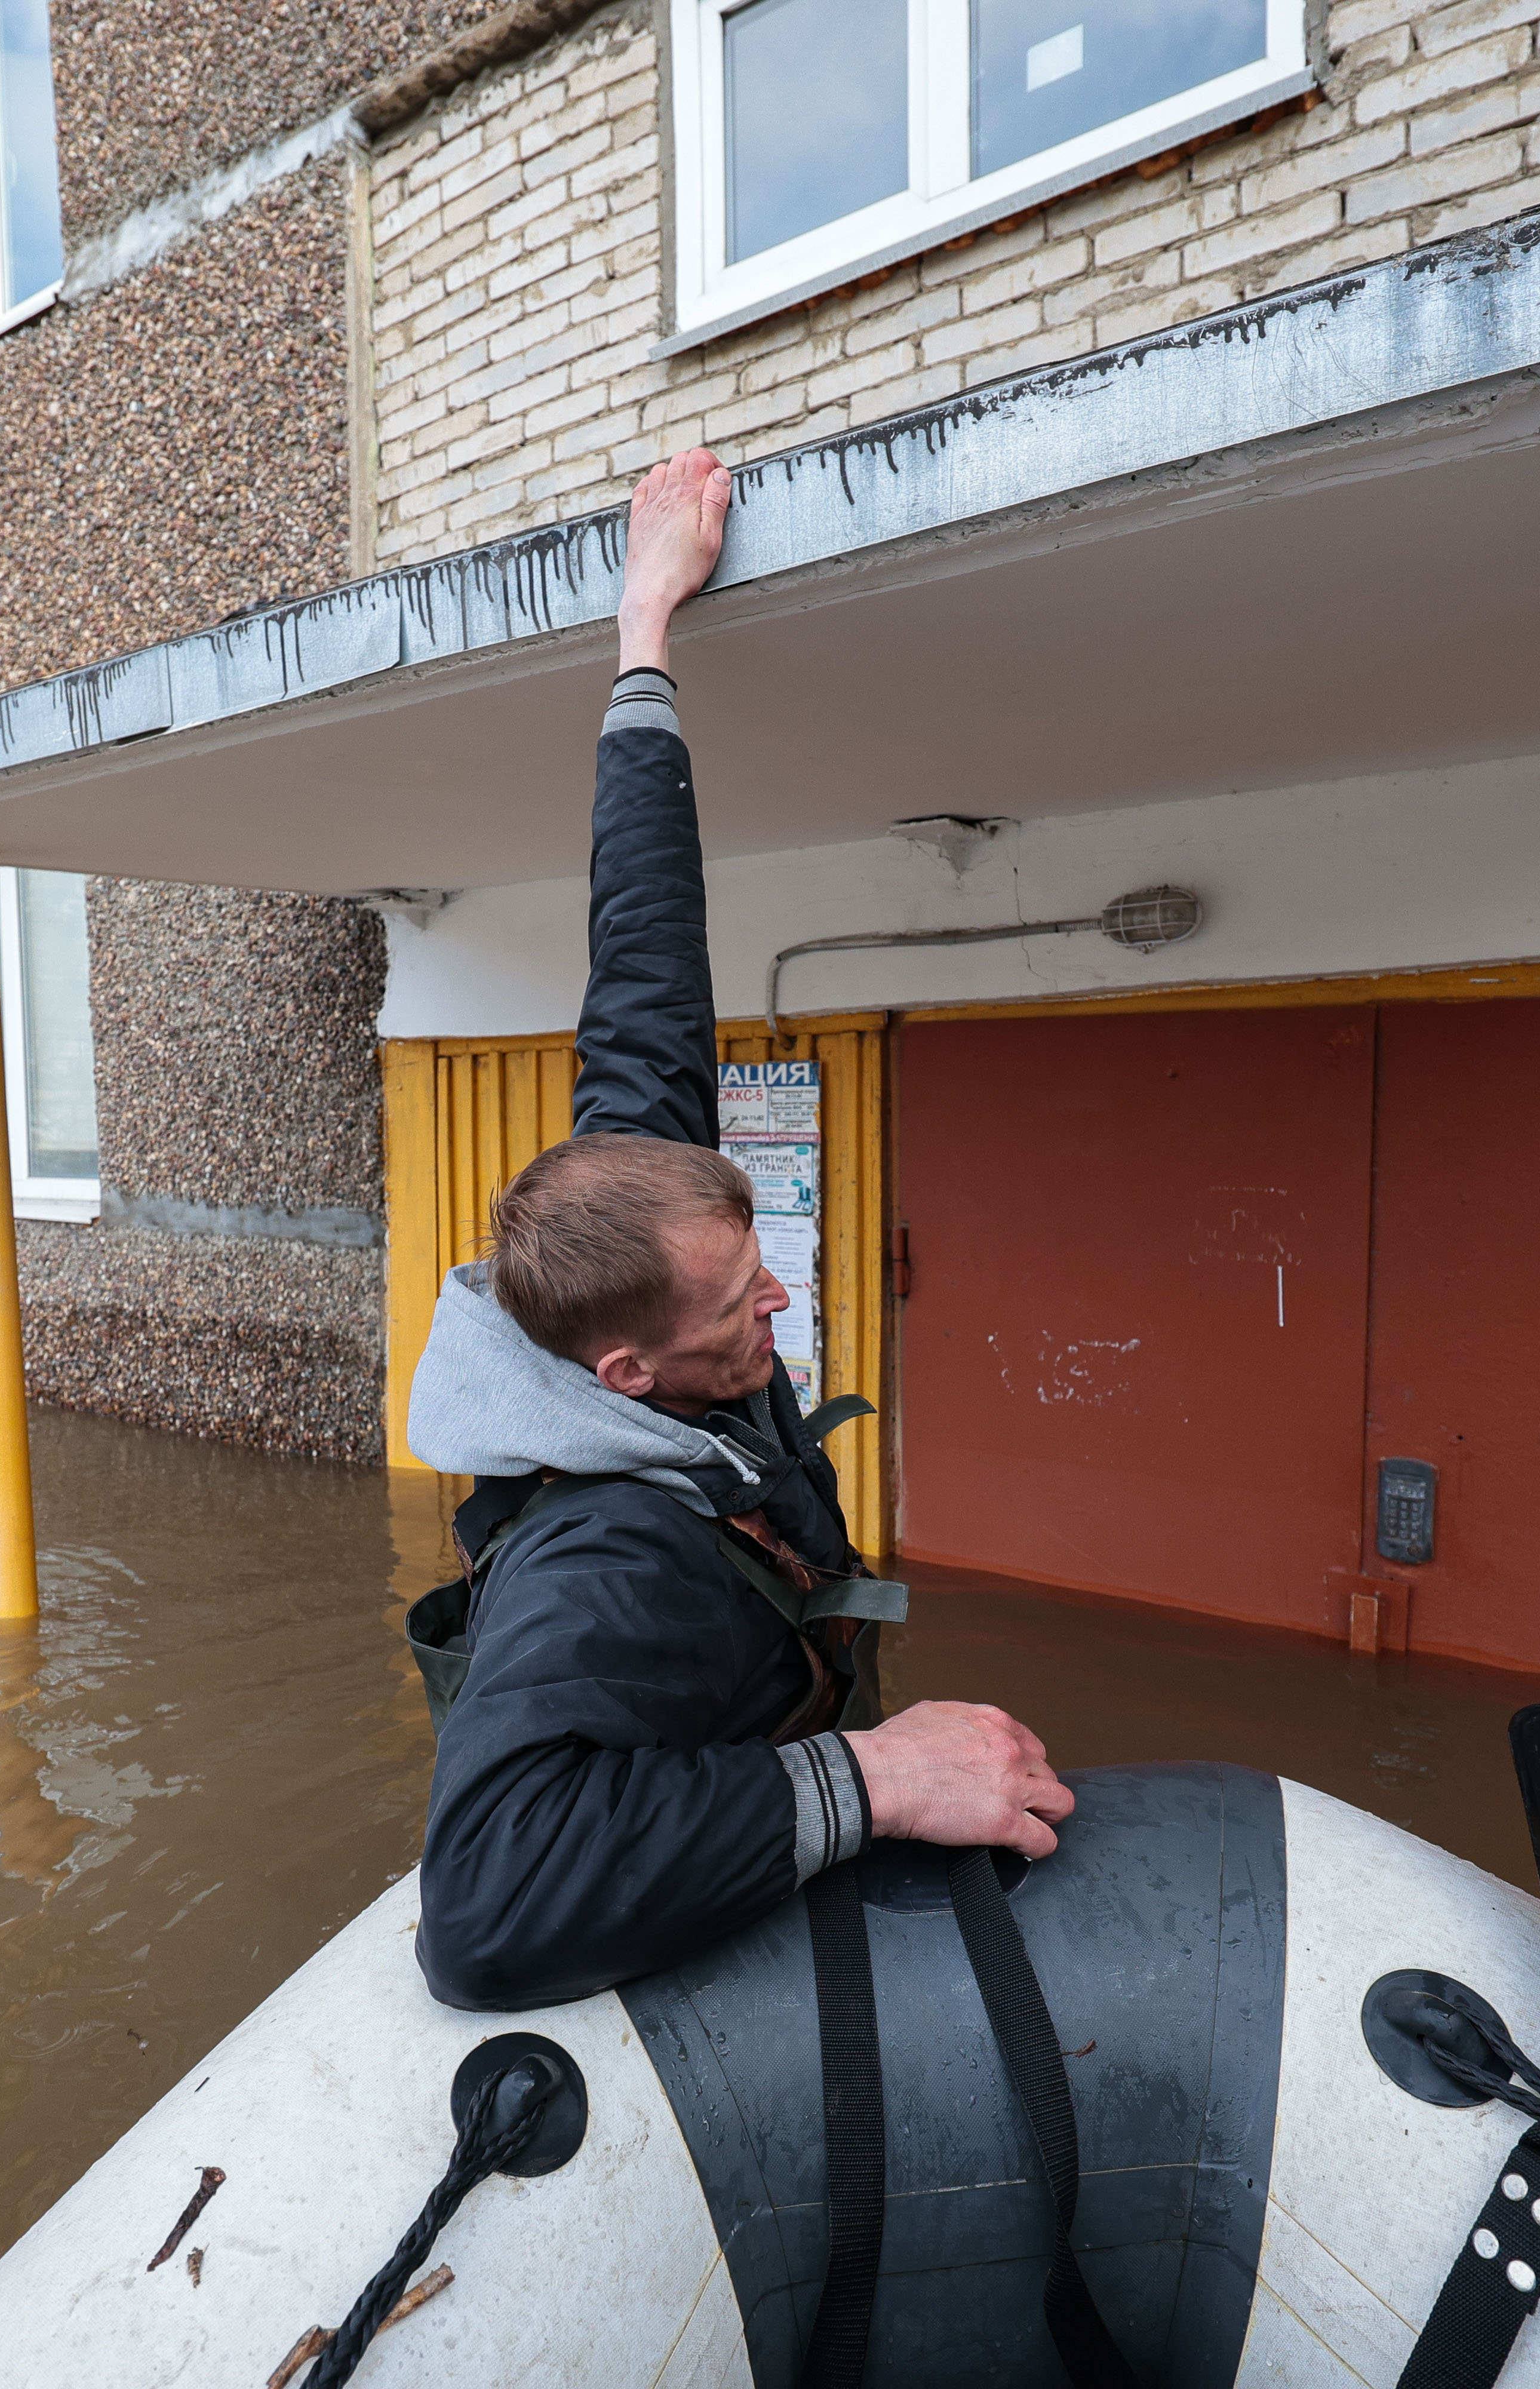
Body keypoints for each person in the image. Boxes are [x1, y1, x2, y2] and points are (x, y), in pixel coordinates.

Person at [407, 449, 1074, 2012]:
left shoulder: (633, 1223)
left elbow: (645, 955)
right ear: (627, 1374)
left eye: (756, 1254)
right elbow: (483, 1906)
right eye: (740, 1306)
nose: (781, 1296)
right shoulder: (603, 1555)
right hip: (734, 1914)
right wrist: (873, 1781)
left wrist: (644, 629)